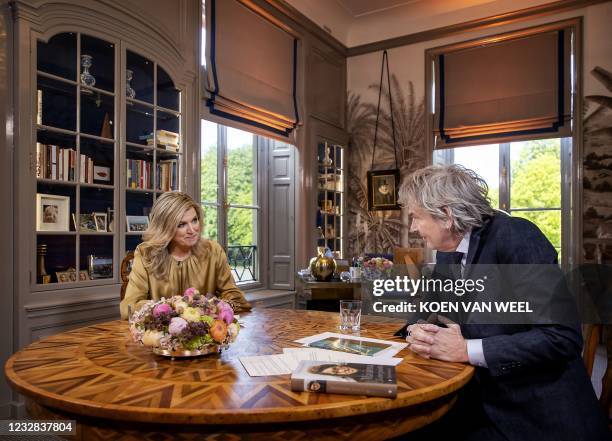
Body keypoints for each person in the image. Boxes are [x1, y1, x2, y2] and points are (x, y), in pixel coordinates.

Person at [397, 165, 609, 441]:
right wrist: (416, 331)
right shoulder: (448, 252)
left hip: (536, 413)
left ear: (446, 215)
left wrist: (466, 349)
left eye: (415, 217)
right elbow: (426, 311)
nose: (413, 228)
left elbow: (562, 336)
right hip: (479, 398)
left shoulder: (515, 236)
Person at [120, 191, 251, 319]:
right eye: (181, 224)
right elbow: (129, 308)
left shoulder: (213, 251)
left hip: (204, 336)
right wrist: (173, 307)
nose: (192, 230)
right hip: (159, 338)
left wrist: (210, 307)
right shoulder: (145, 254)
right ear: (165, 228)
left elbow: (236, 298)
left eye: (194, 220)